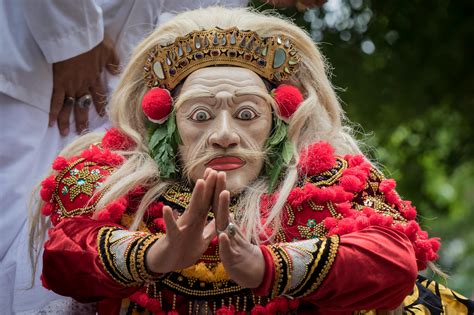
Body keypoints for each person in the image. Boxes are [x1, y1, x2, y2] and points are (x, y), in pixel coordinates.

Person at [31, 6, 473, 315]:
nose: (224, 135)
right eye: (200, 116)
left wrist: (269, 265)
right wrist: (157, 254)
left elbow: (393, 263)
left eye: (247, 114)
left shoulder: (320, 185)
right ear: (165, 125)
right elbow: (62, 261)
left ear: (279, 120)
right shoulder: (120, 189)